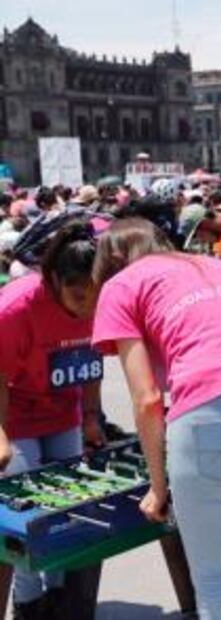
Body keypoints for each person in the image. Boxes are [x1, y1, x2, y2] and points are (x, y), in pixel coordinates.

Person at [91, 218, 221, 620]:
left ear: (111, 259)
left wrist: (158, 487)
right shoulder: (217, 266)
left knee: (213, 574)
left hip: (212, 415)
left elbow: (147, 399)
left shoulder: (122, 284)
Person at [0, 222, 105, 618]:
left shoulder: (96, 303)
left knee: (67, 507)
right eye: (78, 295)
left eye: (93, 296)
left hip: (63, 409)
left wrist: (91, 417)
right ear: (56, 280)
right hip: (15, 412)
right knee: (26, 513)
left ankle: (61, 596)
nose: (86, 307)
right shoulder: (16, 308)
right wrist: (0, 435)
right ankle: (29, 602)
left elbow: (91, 363)